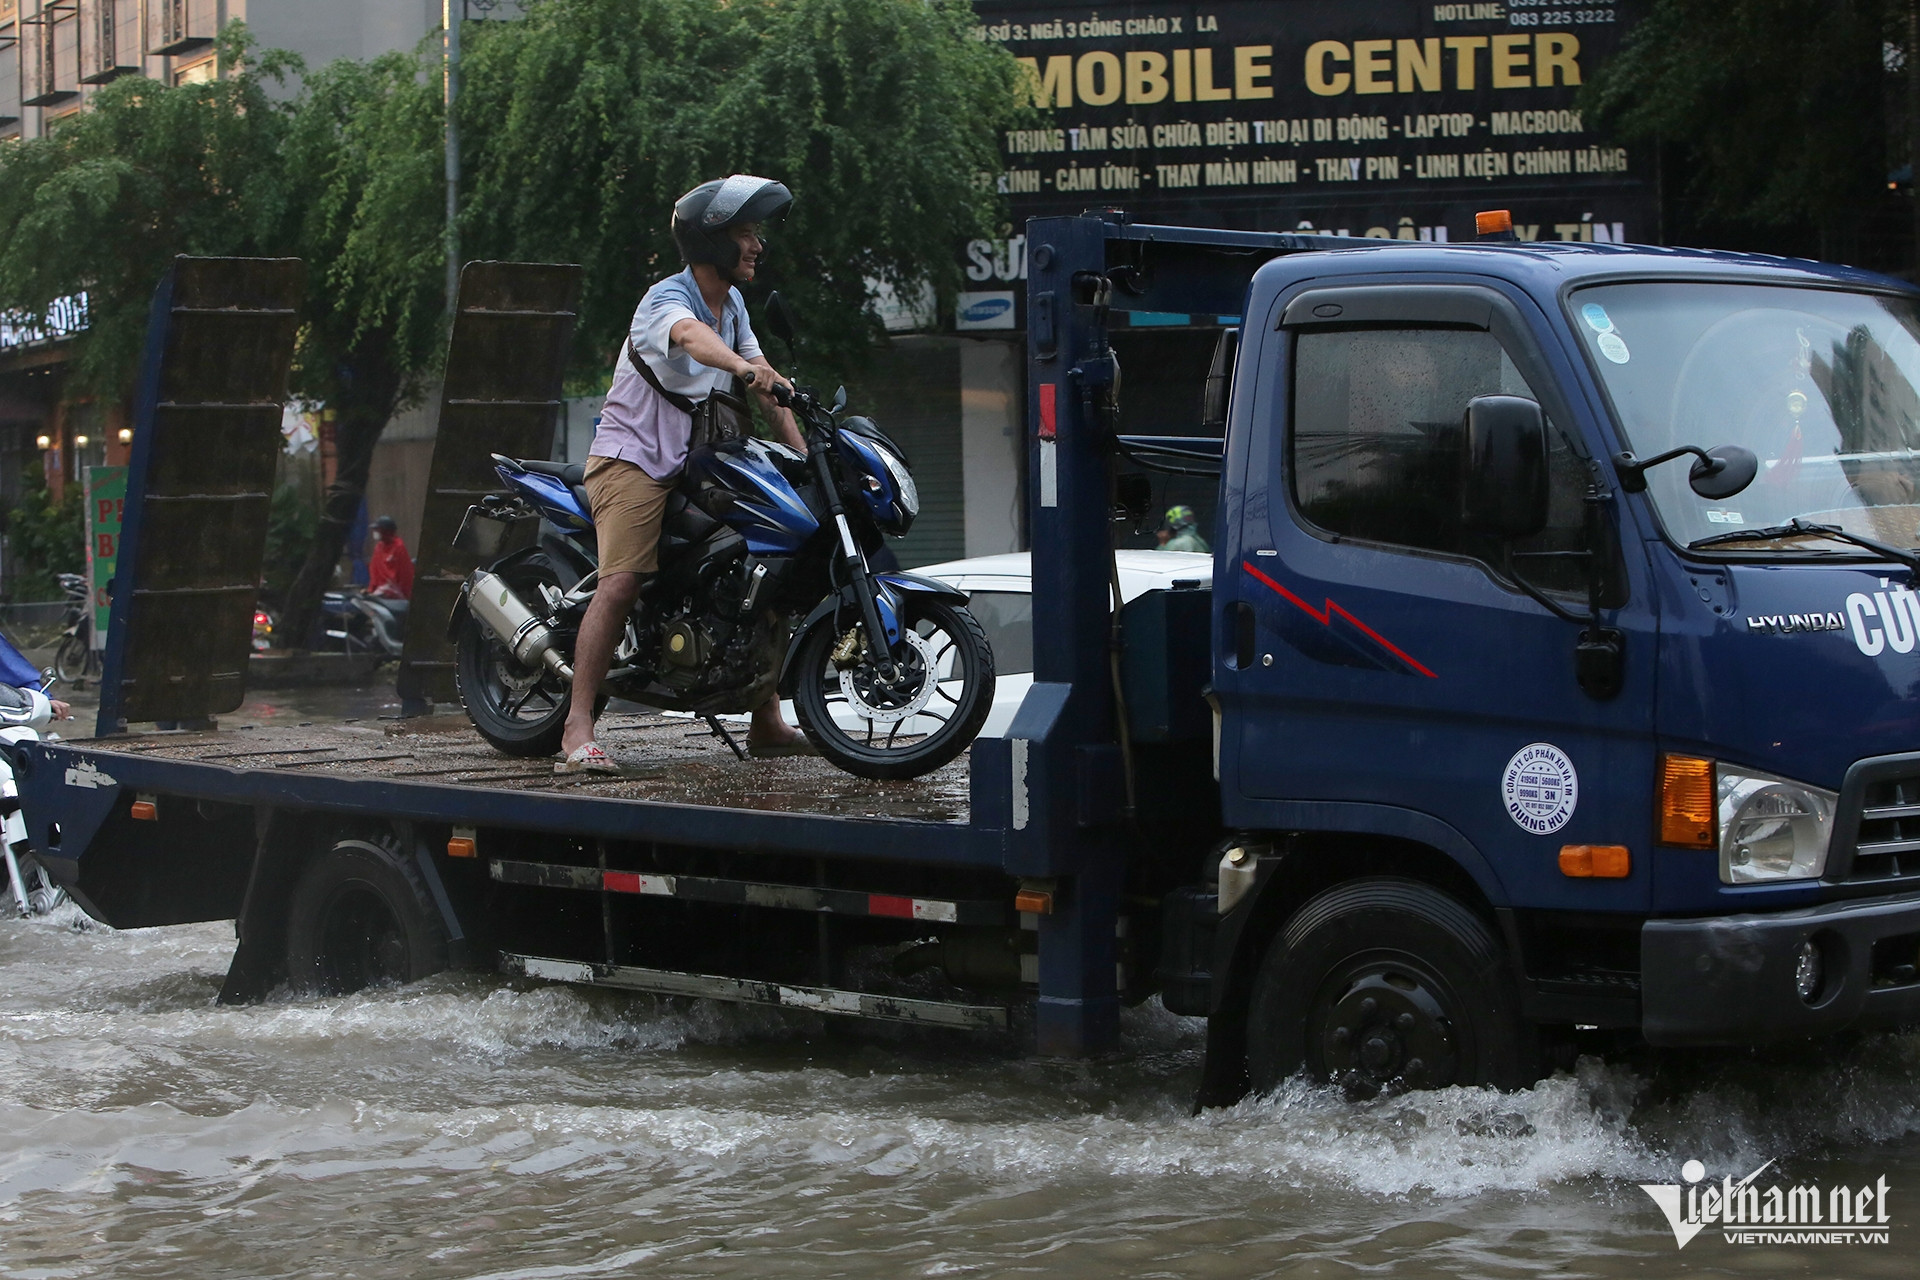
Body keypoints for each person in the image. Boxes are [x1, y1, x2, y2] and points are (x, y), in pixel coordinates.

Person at [559, 174, 811, 774]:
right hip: (633, 461)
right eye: (745, 235)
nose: (756, 246)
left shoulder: (736, 305)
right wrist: (744, 370)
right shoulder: (665, 299)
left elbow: (764, 375)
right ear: (713, 241)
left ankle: (766, 719)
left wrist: (805, 453)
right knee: (620, 582)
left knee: (766, 564)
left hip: (698, 463)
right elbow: (692, 341)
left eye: (755, 235)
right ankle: (577, 727)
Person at [367, 516, 414, 601]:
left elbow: (405, 574)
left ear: (386, 531)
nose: (375, 532)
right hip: (380, 592)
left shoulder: (398, 548)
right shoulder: (379, 547)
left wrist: (406, 595)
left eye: (378, 530)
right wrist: (371, 590)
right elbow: (374, 572)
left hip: (395, 594)